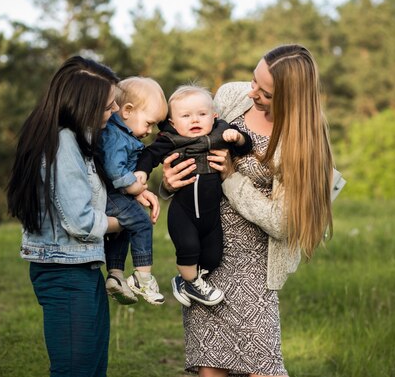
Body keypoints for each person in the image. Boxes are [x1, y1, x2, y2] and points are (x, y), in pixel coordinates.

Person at [161, 45, 344, 376]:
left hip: (256, 266)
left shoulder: (304, 141)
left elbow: (283, 222)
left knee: (262, 367)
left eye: (266, 92)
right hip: (207, 253)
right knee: (210, 366)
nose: (253, 92)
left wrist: (230, 178)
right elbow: (186, 139)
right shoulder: (232, 96)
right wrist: (169, 183)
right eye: (254, 80)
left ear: (291, 99)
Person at [6, 56, 159, 377]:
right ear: (80, 106)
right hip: (64, 273)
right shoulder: (62, 145)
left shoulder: (80, 140)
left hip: (82, 267)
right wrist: (130, 220)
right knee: (75, 370)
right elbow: (80, 221)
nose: (116, 111)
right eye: (107, 107)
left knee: (92, 368)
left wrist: (136, 192)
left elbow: (101, 190)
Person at [136, 84, 252, 307]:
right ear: (173, 123)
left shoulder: (220, 134)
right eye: (186, 116)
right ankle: (191, 282)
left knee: (213, 257)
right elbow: (149, 155)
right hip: (184, 212)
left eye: (202, 114)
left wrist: (237, 138)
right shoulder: (171, 139)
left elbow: (246, 146)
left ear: (214, 116)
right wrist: (141, 172)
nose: (195, 120)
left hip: (211, 215)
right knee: (188, 247)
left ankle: (185, 281)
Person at [99, 76, 168, 306]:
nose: (149, 131)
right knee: (141, 223)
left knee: (125, 229)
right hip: (110, 195)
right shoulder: (116, 136)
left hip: (115, 194)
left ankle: (116, 274)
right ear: (127, 111)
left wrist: (136, 192)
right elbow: (112, 167)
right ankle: (143, 277)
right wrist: (133, 185)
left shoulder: (123, 134)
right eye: (149, 123)